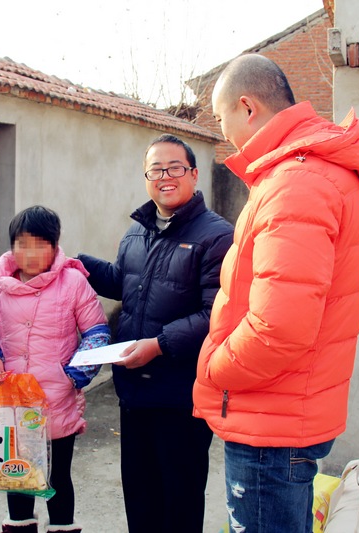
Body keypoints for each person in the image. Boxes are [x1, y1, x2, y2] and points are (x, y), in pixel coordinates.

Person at [192, 54, 359, 533]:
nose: (223, 133)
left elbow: (278, 327)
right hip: (281, 412)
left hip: (270, 421)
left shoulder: (297, 181)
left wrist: (216, 367)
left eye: (220, 118)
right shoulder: (304, 172)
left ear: (247, 107)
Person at [78, 134, 234, 533]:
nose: (165, 176)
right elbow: (125, 283)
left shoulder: (217, 236)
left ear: (194, 174)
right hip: (134, 393)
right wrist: (77, 265)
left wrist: (159, 345)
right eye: (155, 170)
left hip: (181, 396)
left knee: (179, 503)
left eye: (174, 168)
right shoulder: (137, 231)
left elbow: (216, 313)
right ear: (146, 178)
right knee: (141, 499)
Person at [0, 205, 111, 533]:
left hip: (57, 399)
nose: (30, 254)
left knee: (58, 477)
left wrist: (74, 375)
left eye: (39, 245)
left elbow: (96, 333)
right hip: (10, 400)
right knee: (15, 475)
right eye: (22, 244)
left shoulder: (73, 282)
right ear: (12, 245)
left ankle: (61, 526)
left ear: (55, 245)